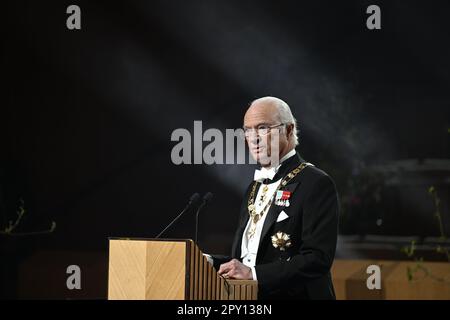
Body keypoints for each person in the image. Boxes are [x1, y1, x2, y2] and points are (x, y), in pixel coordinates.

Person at [210, 96, 339, 299]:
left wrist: (253, 274)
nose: (253, 138)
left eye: (262, 127)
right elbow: (247, 259)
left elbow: (317, 259)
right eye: (248, 130)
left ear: (288, 130)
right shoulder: (253, 187)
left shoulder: (315, 183)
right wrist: (208, 261)